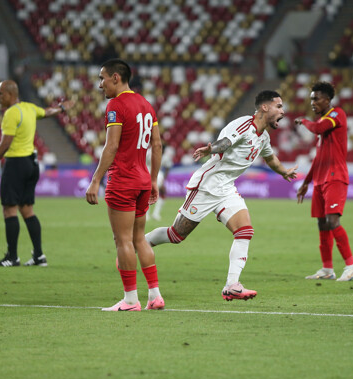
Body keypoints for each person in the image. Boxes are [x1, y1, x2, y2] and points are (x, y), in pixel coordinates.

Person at [146, 90, 298, 301]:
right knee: (176, 235)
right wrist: (210, 149)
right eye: (279, 106)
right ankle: (140, 244)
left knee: (245, 231)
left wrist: (284, 172)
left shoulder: (263, 136)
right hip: (207, 186)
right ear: (265, 107)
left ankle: (232, 285)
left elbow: (270, 158)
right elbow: (225, 143)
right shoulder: (244, 125)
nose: (282, 111)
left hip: (226, 188)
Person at [85, 59, 164, 312]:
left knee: (123, 241)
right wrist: (153, 179)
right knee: (140, 238)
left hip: (123, 181)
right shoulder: (146, 105)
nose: (100, 85)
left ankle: (130, 300)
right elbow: (157, 145)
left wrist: (96, 180)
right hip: (142, 180)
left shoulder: (116, 105)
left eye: (102, 78)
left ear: (116, 78)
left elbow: (112, 146)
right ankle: (155, 296)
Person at [0, 80, 73, 267]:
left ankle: (12, 257)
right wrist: (60, 108)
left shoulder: (11, 113)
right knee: (27, 210)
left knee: (9, 209)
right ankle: (39, 256)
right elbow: (47, 112)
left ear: (11, 94)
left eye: (0, 93)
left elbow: (5, 144)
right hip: (32, 163)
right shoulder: (29, 108)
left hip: (16, 164)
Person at [295, 81, 353, 282]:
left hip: (335, 177)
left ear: (327, 99)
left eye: (316, 99)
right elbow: (318, 157)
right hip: (320, 180)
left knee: (333, 221)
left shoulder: (336, 114)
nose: (312, 102)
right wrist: (306, 181)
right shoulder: (324, 125)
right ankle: (327, 269)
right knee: (322, 224)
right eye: (311, 99)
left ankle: (351, 266)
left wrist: (304, 121)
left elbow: (316, 127)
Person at [147, 145, 174, 221]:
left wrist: (163, 179)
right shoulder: (149, 153)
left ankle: (156, 213)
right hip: (148, 172)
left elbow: (168, 167)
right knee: (147, 193)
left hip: (158, 174)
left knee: (162, 192)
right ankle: (146, 214)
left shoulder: (165, 157)